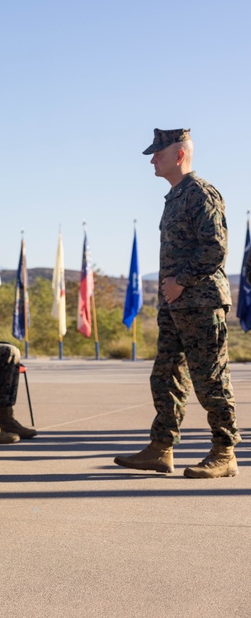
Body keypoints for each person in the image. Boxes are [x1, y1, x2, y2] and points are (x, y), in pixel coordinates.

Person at [114, 128, 240, 478]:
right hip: (176, 305)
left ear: (179, 154)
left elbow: (215, 248)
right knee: (166, 375)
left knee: (210, 378)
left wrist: (180, 282)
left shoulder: (200, 194)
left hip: (200, 302)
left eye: (159, 153)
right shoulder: (175, 196)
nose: (153, 159)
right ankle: (161, 448)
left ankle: (225, 451)